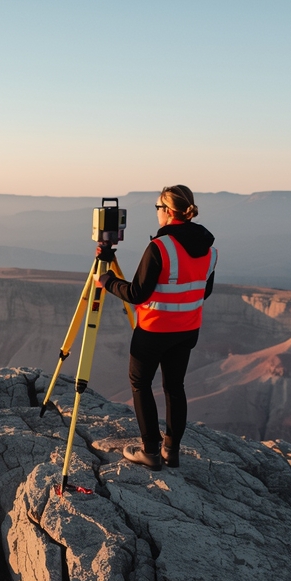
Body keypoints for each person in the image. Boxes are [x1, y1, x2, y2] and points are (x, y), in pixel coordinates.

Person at [98, 185, 216, 470]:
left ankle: (150, 451)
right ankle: (171, 452)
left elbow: (137, 293)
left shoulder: (160, 247)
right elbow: (204, 291)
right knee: (175, 387)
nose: (157, 213)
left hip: (154, 330)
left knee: (140, 384)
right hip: (187, 330)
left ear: (169, 211)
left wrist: (107, 280)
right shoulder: (209, 249)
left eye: (157, 208)